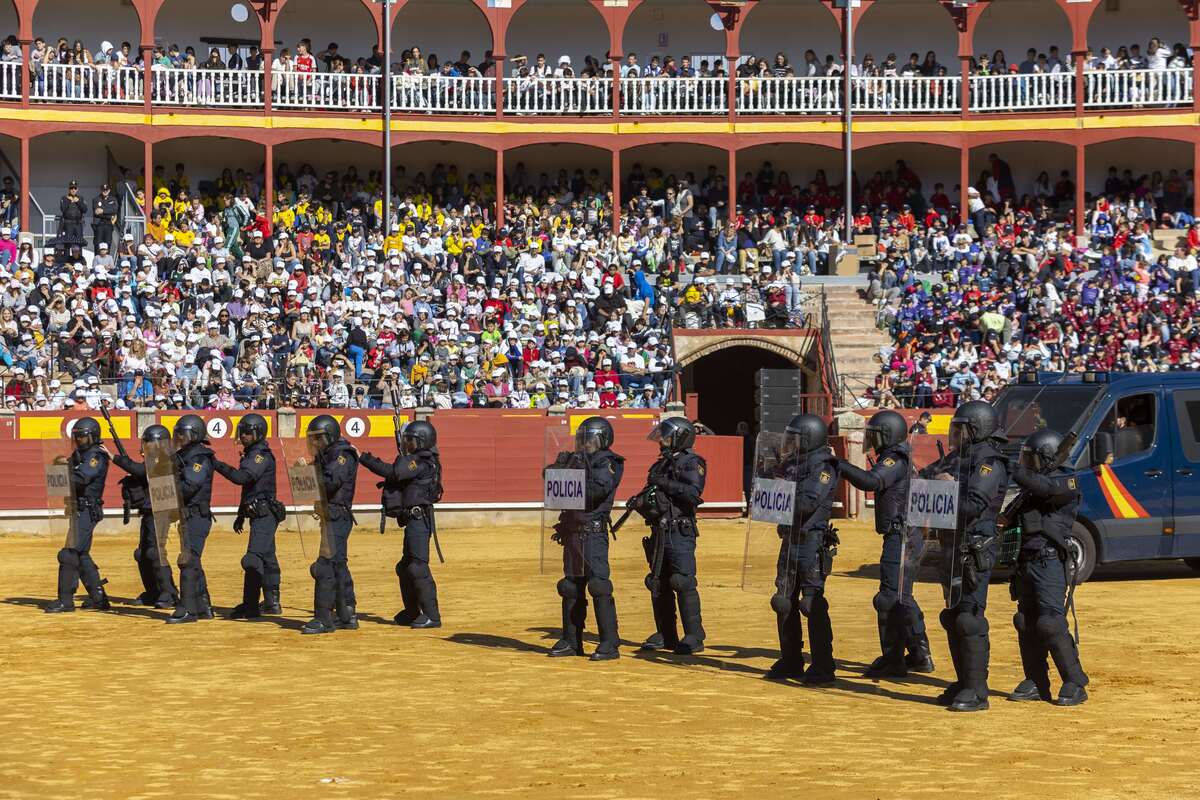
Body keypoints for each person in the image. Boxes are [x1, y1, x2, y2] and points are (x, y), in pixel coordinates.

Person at [922, 400, 1008, 711]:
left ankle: (977, 690)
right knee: (953, 617)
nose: (955, 435)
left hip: (974, 549)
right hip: (949, 546)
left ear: (977, 429)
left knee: (970, 619)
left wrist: (948, 487)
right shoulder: (958, 459)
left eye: (961, 429)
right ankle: (962, 681)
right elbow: (924, 475)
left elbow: (973, 504)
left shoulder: (989, 464)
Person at [837, 410, 934, 678]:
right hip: (904, 534)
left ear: (887, 435)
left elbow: (872, 481)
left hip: (901, 535)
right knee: (902, 595)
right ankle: (918, 653)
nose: (873, 440)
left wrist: (840, 465)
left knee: (889, 597)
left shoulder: (895, 458)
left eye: (876, 435)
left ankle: (894, 658)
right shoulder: (898, 456)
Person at [1004, 429, 1089, 706]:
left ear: (1046, 458)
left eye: (1031, 459)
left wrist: (1014, 469)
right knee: (1025, 622)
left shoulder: (1066, 480)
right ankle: (1036, 681)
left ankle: (1075, 682)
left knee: (1050, 623)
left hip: (1049, 560)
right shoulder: (1031, 487)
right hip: (1026, 560)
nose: (1027, 463)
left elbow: (1047, 490)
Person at [767, 414, 840, 684]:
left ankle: (823, 665)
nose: (791, 444)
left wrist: (780, 494)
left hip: (811, 540)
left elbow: (808, 502)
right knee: (783, 600)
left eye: (795, 438)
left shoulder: (824, 466)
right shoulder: (792, 465)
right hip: (789, 538)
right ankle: (791, 659)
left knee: (811, 604)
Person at [546, 416, 625, 661]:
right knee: (570, 586)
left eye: (588, 439)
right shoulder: (577, 460)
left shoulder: (608, 462)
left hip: (593, 532)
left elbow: (594, 491)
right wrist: (559, 467)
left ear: (601, 440)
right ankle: (571, 641)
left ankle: (609, 643)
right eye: (581, 438)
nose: (583, 443)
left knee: (599, 586)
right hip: (572, 532)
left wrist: (571, 473)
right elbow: (551, 485)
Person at [361, 420, 444, 629]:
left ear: (422, 441)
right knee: (405, 567)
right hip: (412, 519)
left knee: (417, 566)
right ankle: (412, 611)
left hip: (419, 519)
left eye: (411, 441)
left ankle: (432, 616)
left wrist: (365, 458)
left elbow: (394, 472)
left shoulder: (422, 461)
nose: (407, 444)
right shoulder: (417, 459)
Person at [635, 417, 707, 655]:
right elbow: (654, 492)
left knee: (682, 581)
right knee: (657, 581)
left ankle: (694, 636)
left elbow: (692, 494)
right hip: (659, 529)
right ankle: (666, 633)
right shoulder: (661, 464)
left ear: (679, 437)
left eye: (667, 436)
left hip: (680, 529)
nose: (662, 440)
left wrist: (663, 483)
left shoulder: (692, 462)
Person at [213, 413, 284, 620]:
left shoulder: (259, 455)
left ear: (257, 433)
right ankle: (272, 603)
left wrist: (216, 464)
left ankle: (251, 605)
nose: (242, 436)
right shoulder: (253, 453)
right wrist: (240, 515)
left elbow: (242, 478)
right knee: (268, 558)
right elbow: (248, 489)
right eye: (241, 432)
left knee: (252, 559)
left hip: (264, 513)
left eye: (246, 432)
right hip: (258, 512)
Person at [45, 418, 111, 613]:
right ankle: (98, 597)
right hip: (78, 508)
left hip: (87, 509)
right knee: (81, 554)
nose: (79, 440)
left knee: (68, 554)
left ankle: (65, 600)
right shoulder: (80, 454)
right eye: (77, 437)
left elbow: (82, 478)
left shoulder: (95, 455)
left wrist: (61, 471)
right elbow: (68, 467)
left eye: (82, 437)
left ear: (92, 437)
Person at [302, 415, 360, 635]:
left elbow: (330, 482)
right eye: (313, 439)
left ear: (330, 436)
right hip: (330, 515)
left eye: (319, 438)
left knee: (325, 565)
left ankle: (324, 618)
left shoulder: (342, 455)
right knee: (337, 564)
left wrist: (306, 474)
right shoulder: (327, 456)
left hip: (338, 515)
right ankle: (347, 614)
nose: (315, 443)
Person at [111, 423, 179, 609]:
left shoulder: (166, 460)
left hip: (161, 513)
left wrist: (114, 457)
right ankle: (152, 592)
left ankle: (169, 592)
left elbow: (142, 470)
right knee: (142, 553)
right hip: (149, 512)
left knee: (155, 552)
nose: (145, 448)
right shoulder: (155, 460)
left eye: (149, 444)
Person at [166, 414, 216, 624]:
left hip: (197, 515)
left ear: (194, 436)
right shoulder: (183, 456)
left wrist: (169, 484)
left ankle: (187, 609)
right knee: (193, 560)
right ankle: (203, 606)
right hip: (188, 515)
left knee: (188, 560)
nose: (180, 438)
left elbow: (189, 486)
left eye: (183, 435)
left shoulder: (199, 458)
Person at [91, 183, 119, 252]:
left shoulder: (113, 199)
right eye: (103, 190)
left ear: (109, 190)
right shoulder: (96, 199)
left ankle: (107, 261)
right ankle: (97, 261)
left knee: (108, 243)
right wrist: (109, 214)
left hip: (109, 224)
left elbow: (115, 210)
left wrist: (103, 210)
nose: (105, 191)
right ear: (101, 190)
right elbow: (97, 213)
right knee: (98, 244)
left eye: (106, 190)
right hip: (99, 224)